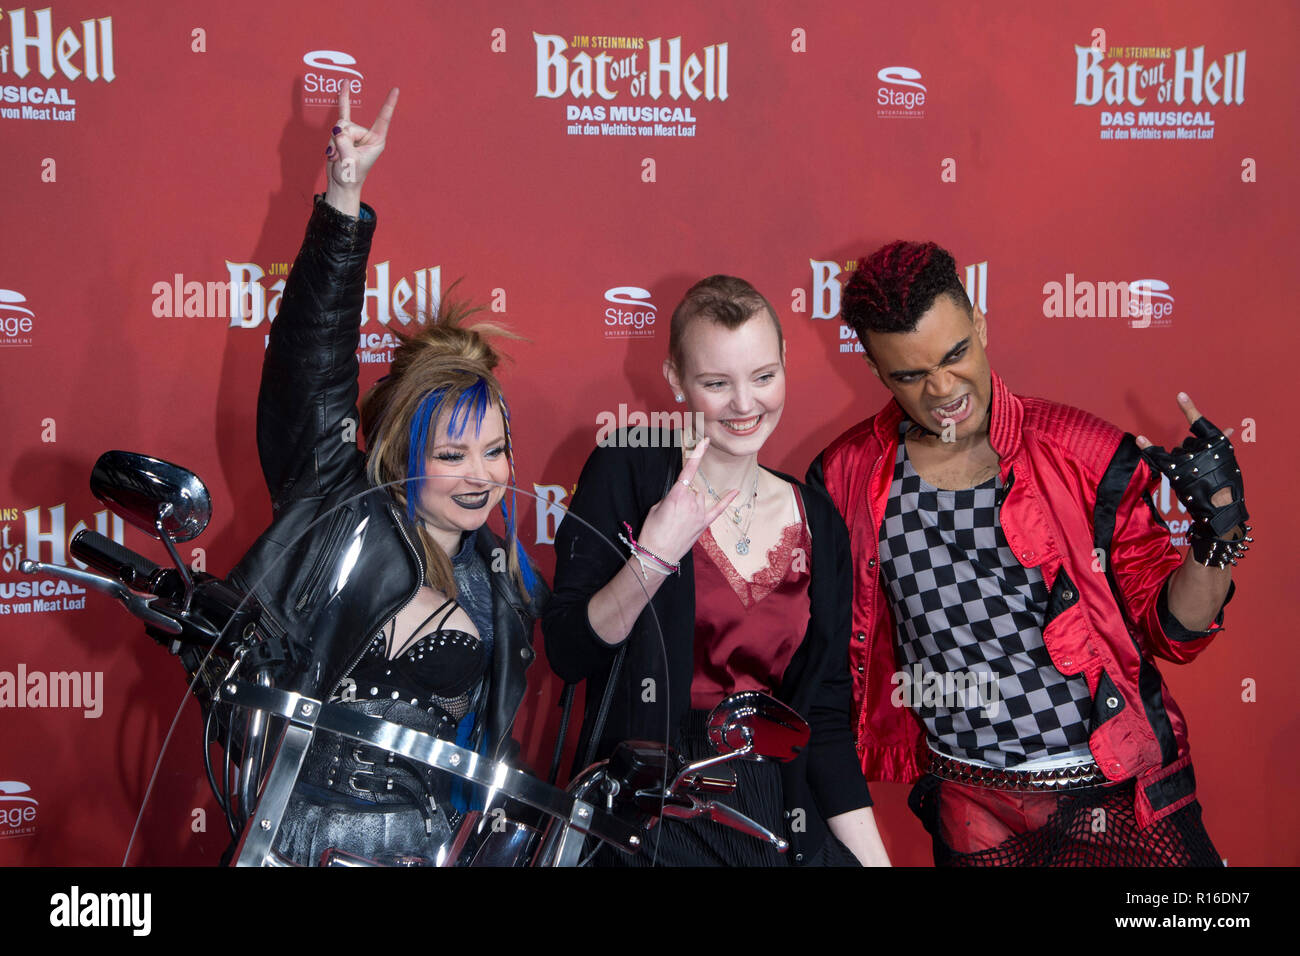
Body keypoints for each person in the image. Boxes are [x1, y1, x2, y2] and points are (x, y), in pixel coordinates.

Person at [808, 240, 1248, 866]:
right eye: (909, 374)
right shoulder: (844, 476)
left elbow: (1174, 631)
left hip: (1114, 789)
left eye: (955, 354)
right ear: (877, 371)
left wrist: (1218, 535)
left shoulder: (1083, 452)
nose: (942, 388)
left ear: (980, 324)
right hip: (972, 809)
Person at [228, 88, 547, 866]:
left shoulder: (499, 587)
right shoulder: (339, 515)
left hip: (421, 848)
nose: (481, 475)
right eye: (450, 454)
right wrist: (344, 199)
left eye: (495, 450)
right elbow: (311, 371)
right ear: (403, 456)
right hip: (290, 842)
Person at [544, 275, 890, 866]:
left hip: (775, 814)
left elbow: (823, 721)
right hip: (649, 815)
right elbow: (569, 652)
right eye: (716, 383)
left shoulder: (819, 519)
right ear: (676, 380)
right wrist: (652, 559)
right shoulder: (628, 471)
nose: (745, 404)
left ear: (784, 365)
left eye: (763, 376)